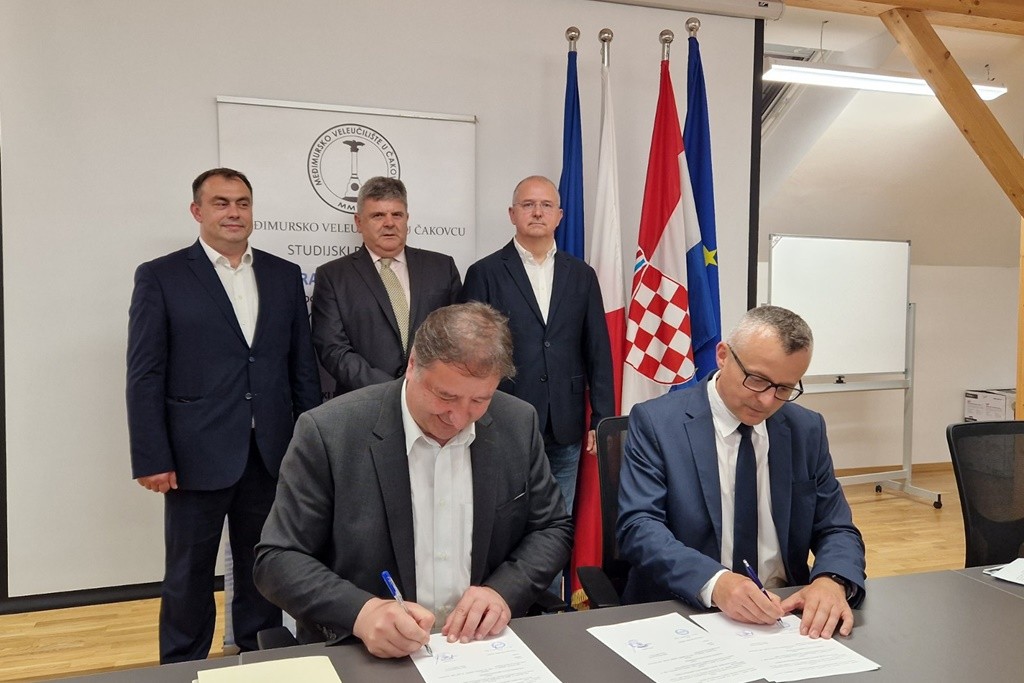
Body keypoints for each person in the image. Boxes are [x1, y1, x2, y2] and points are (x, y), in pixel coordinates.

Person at [254, 302, 573, 658]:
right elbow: (278, 558)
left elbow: (551, 528)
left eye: (479, 400)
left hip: (483, 649)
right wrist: (362, 613)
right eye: (446, 396)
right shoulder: (329, 432)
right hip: (365, 652)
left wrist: (503, 591)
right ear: (413, 366)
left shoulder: (517, 422)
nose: (458, 418)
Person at [126, 168, 322, 663]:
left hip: (271, 451)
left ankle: (259, 657)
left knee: (265, 565)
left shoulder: (282, 274)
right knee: (188, 572)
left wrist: (310, 445)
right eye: (221, 203)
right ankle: (182, 664)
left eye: (242, 203)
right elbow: (145, 373)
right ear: (197, 211)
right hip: (194, 454)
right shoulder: (161, 276)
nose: (234, 213)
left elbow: (301, 367)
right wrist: (152, 456)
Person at [617, 305, 866, 639]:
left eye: (784, 389)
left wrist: (831, 580)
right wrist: (715, 582)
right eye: (757, 380)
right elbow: (639, 527)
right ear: (723, 356)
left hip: (786, 615)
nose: (767, 401)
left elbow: (836, 527)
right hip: (686, 611)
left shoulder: (806, 429)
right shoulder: (658, 423)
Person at [460, 175, 614, 524]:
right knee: (504, 522)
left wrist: (601, 417)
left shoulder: (582, 275)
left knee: (557, 522)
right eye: (528, 205)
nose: (537, 212)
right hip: (503, 418)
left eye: (546, 205)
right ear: (512, 214)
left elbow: (597, 349)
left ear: (559, 216)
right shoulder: (484, 273)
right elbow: (469, 352)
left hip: (565, 423)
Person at [311, 176, 461, 395]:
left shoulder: (442, 267)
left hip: (434, 396)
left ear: (407, 219)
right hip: (365, 400)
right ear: (358, 222)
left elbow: (457, 336)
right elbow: (333, 349)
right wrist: (394, 390)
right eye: (378, 215)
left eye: (397, 215)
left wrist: (428, 383)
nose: (389, 223)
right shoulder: (333, 276)